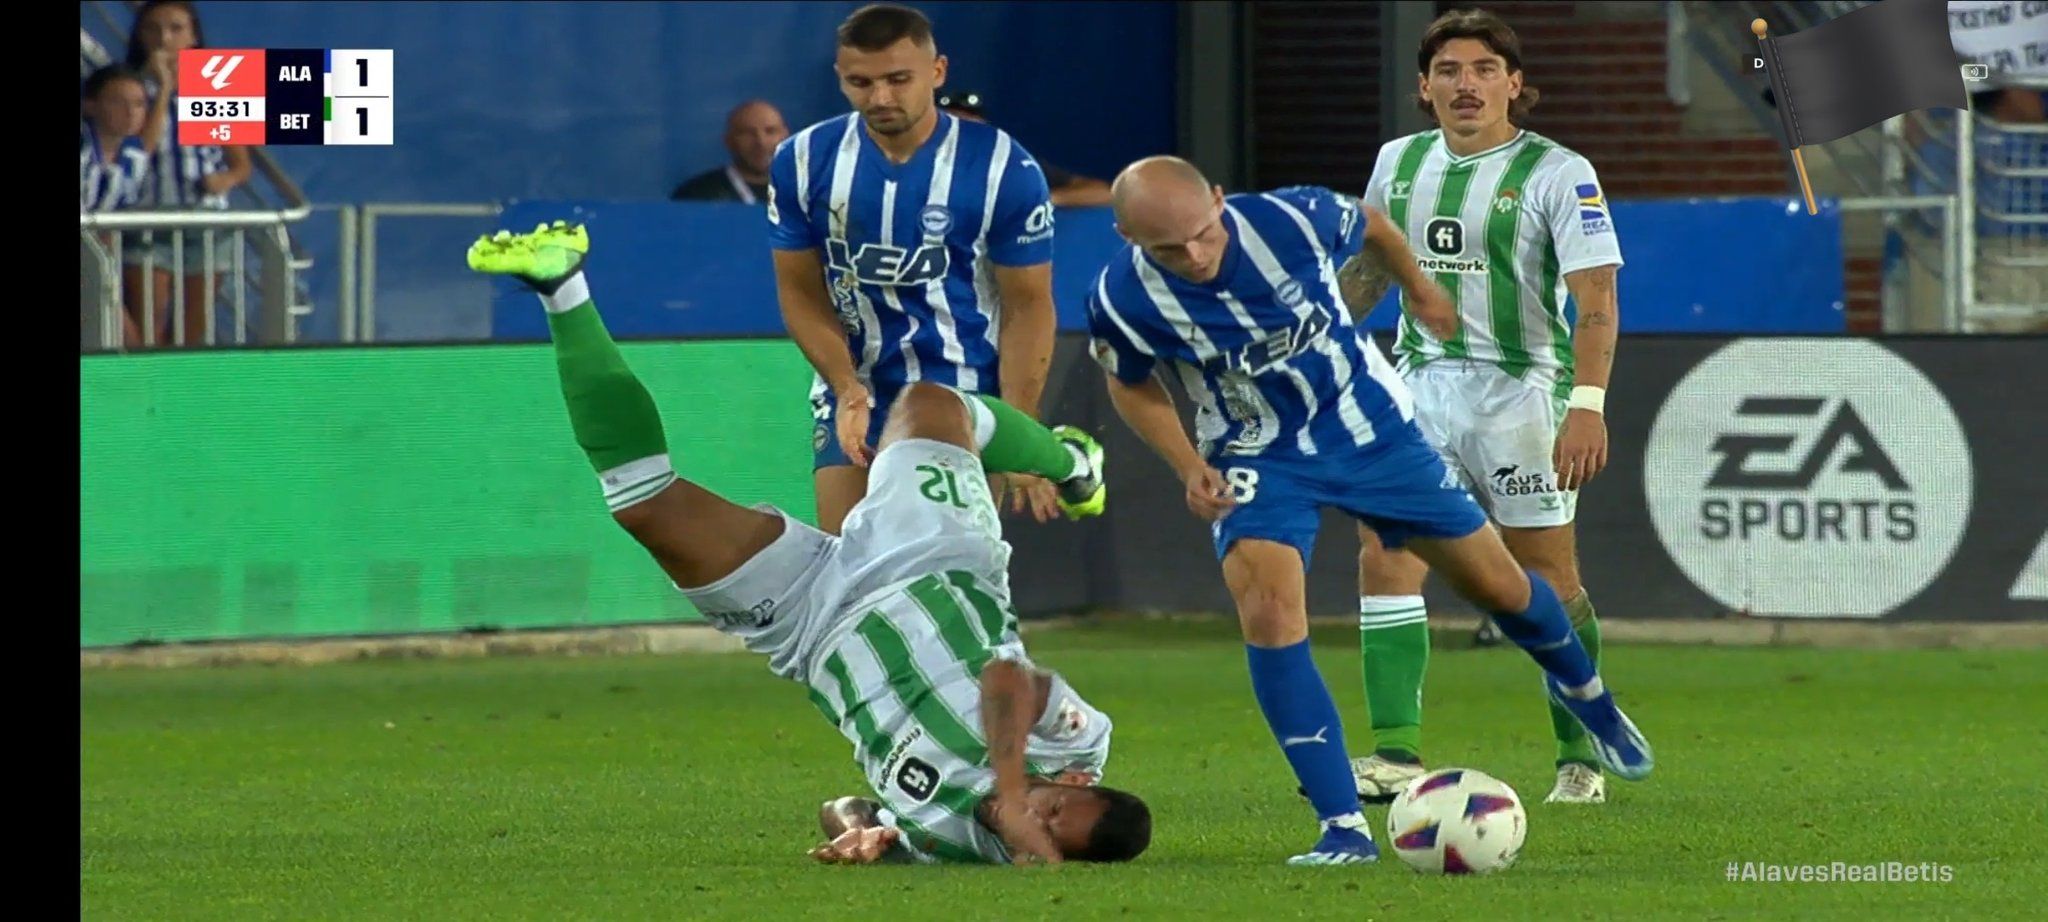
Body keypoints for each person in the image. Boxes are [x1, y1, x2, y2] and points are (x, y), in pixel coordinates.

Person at [467, 220, 1147, 866]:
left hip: (813, 627)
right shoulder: (1076, 744)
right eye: (1057, 805)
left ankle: (563, 288)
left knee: (645, 505)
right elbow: (1009, 682)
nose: (1040, 811)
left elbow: (847, 805)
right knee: (930, 405)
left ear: (1044, 859)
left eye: (1052, 829)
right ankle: (1071, 464)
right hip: (932, 565)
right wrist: (1009, 783)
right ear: (1079, 781)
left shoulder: (953, 844)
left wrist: (863, 835)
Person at [1084, 155, 1652, 865]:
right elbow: (1129, 384)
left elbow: (1375, 226)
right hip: (1256, 454)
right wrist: (1188, 465)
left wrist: (1419, 289)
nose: (1194, 256)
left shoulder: (1292, 216)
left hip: (1372, 435)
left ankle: (1589, 697)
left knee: (1499, 587)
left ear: (1221, 201)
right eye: (1169, 249)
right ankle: (1342, 826)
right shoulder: (1121, 297)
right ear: (1126, 236)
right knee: (1267, 609)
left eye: (1203, 234)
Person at [1342, 7, 1627, 808]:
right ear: (1423, 88)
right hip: (1419, 384)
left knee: (1545, 577)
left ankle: (1581, 750)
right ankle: (1394, 751)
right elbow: (1370, 276)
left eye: (1482, 70)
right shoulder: (1397, 163)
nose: (1466, 85)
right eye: (1449, 71)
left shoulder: (1557, 172)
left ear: (1514, 84)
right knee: (1386, 549)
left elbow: (1597, 300)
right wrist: (1311, 341)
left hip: (1523, 393)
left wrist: (1588, 404)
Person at [769, 3, 1069, 535]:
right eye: (861, 82)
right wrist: (846, 390)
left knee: (945, 572)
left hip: (962, 393)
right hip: (857, 388)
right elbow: (799, 292)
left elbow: (1028, 305)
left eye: (897, 79)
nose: (880, 97)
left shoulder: (1004, 168)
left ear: (937, 72)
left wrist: (1018, 425)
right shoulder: (801, 161)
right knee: (851, 568)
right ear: (840, 79)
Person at [937, 89, 1113, 207]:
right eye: (953, 117)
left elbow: (1102, 192)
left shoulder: (1006, 160)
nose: (961, 125)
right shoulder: (917, 157)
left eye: (970, 119)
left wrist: (1044, 200)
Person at [669, 99, 788, 204]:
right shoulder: (696, 195)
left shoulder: (803, 191)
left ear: (786, 137)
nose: (761, 142)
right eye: (748, 133)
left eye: (770, 131)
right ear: (729, 141)